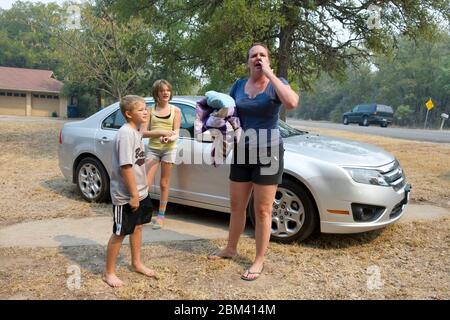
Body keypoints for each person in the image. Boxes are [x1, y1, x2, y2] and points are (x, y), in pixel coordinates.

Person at [208, 43, 299, 281]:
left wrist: (269, 73)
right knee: (236, 205)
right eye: (253, 55)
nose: (257, 58)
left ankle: (259, 259)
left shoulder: (277, 84)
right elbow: (230, 112)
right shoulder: (238, 85)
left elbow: (291, 103)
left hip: (268, 151)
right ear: (248, 61)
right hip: (242, 150)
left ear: (268, 59)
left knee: (262, 210)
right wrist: (214, 121)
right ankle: (230, 248)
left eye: (262, 55)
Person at [103, 95, 160, 288]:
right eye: (141, 109)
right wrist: (134, 195)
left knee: (137, 227)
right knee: (120, 232)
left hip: (140, 192)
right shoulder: (125, 134)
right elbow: (126, 167)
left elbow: (142, 130)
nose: (145, 112)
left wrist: (146, 113)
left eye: (146, 108)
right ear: (128, 114)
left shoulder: (135, 131)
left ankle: (137, 263)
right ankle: (108, 273)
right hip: (126, 196)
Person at [140, 80, 181, 229]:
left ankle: (161, 216)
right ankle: (143, 213)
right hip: (153, 149)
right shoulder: (150, 110)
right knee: (145, 183)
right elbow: (143, 133)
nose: (165, 93)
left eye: (167, 90)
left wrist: (169, 137)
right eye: (162, 90)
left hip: (169, 149)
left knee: (164, 183)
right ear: (156, 93)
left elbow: (176, 132)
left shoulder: (175, 110)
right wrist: (160, 133)